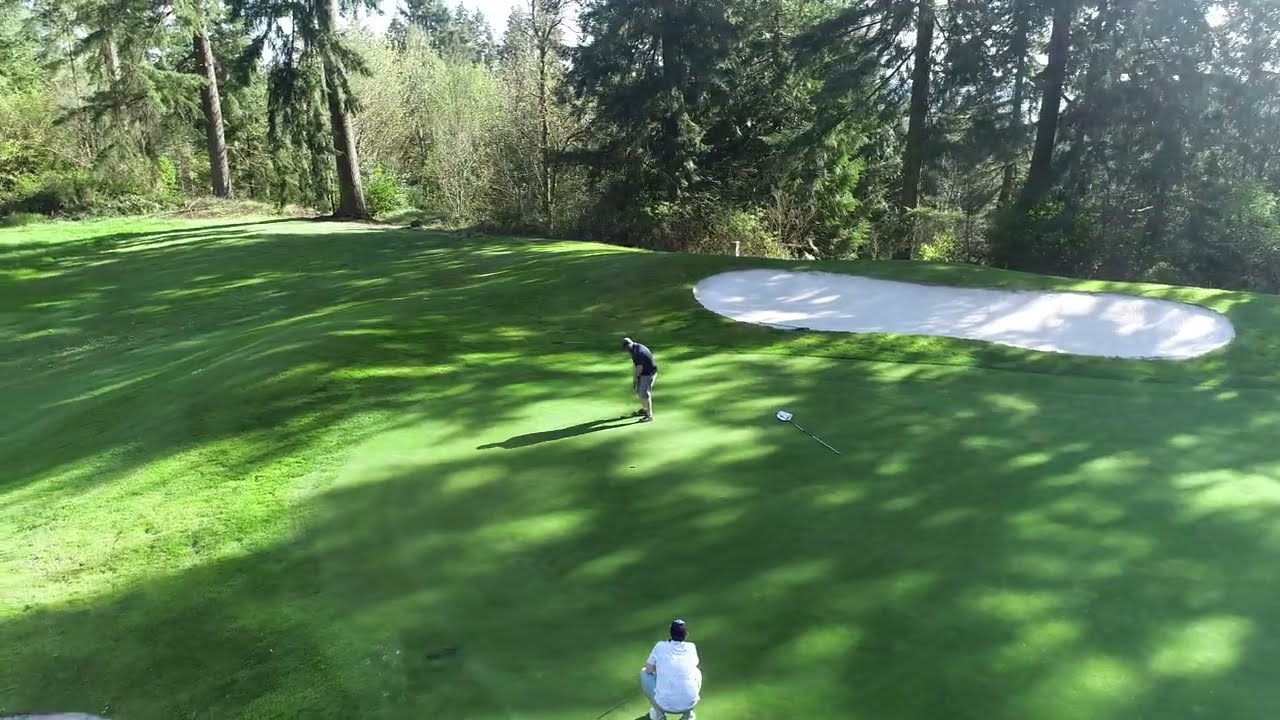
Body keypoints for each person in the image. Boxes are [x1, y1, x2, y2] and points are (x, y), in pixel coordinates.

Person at [639, 619, 701, 720]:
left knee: (644, 673)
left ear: (671, 633)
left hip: (664, 704)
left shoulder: (660, 646)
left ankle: (659, 715)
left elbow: (649, 669)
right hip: (689, 703)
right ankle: (688, 715)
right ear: (686, 634)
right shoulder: (691, 647)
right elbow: (692, 665)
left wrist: (661, 671)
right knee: (697, 672)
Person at [622, 337, 658, 422]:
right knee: (639, 391)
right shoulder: (633, 350)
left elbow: (639, 368)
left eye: (627, 348)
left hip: (649, 373)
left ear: (630, 344)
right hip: (643, 372)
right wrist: (634, 379)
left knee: (645, 393)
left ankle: (649, 416)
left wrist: (637, 378)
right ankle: (645, 409)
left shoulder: (639, 351)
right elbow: (635, 365)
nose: (627, 350)